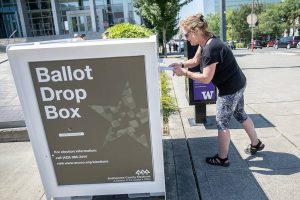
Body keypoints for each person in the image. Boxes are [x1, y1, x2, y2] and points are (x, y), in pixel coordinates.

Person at [170, 13, 265, 167]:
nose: (185, 38)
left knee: (222, 123)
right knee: (240, 114)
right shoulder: (207, 41)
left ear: (195, 31)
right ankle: (256, 143)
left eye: (186, 34)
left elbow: (206, 78)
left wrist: (185, 73)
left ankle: (222, 158)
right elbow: (195, 61)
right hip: (239, 83)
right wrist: (180, 64)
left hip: (229, 90)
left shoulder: (210, 49)